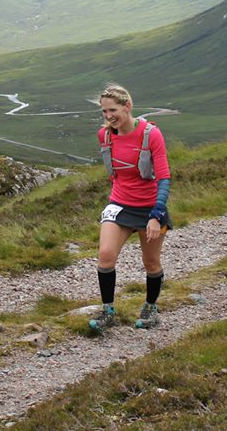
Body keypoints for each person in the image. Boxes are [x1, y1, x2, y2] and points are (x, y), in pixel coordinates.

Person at [89, 84, 172, 332]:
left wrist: (157, 215)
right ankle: (108, 312)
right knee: (105, 256)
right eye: (104, 111)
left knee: (151, 262)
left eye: (112, 110)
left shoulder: (151, 134)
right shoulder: (104, 136)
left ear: (128, 106)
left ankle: (150, 308)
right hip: (119, 205)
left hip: (150, 208)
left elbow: (164, 177)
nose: (108, 116)